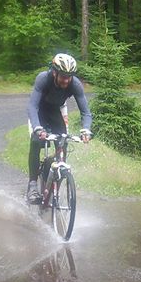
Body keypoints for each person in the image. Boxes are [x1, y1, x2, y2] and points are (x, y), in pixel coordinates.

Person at [26, 52, 92, 202]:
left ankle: (55, 177)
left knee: (63, 140)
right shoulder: (43, 79)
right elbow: (32, 106)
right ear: (55, 72)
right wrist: (37, 128)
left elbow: (86, 112)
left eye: (69, 76)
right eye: (63, 76)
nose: (66, 80)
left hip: (56, 111)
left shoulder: (75, 84)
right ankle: (33, 185)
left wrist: (86, 129)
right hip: (39, 111)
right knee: (36, 141)